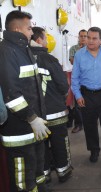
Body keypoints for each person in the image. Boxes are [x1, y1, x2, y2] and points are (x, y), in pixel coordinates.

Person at [0, 10, 51, 192]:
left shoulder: (24, 49)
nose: (32, 32)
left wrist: (38, 118)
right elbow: (11, 94)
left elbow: (33, 88)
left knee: (37, 171)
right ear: (17, 28)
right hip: (19, 132)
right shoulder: (6, 52)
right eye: (29, 28)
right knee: (23, 182)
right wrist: (32, 118)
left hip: (34, 129)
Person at [30, 27, 72, 183]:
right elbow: (63, 85)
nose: (47, 42)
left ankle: (44, 174)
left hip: (35, 115)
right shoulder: (50, 59)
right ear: (40, 40)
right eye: (46, 38)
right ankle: (63, 171)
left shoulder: (23, 58)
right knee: (60, 142)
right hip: (55, 112)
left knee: (40, 145)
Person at [71, 27, 101, 167]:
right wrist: (78, 95)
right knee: (90, 126)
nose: (90, 41)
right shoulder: (79, 55)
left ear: (100, 40)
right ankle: (94, 150)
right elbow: (75, 78)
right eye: (88, 37)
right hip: (87, 95)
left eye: (94, 38)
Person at [68, 29, 87, 133]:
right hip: (77, 79)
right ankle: (79, 124)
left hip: (89, 80)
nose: (83, 38)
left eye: (85, 36)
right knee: (78, 103)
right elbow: (73, 62)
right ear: (78, 37)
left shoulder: (92, 48)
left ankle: (89, 121)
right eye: (81, 36)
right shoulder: (73, 49)